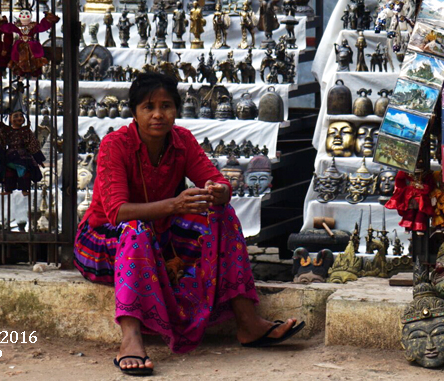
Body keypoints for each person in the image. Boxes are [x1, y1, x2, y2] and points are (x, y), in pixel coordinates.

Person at [73, 72, 303, 375]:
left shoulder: (181, 140)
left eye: (166, 106)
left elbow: (218, 181)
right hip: (104, 242)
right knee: (136, 230)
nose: (158, 114)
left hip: (160, 235)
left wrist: (219, 192)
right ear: (134, 113)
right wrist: (174, 204)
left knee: (220, 214)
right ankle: (130, 336)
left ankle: (247, 321)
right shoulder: (115, 145)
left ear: (176, 110)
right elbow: (117, 212)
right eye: (148, 107)